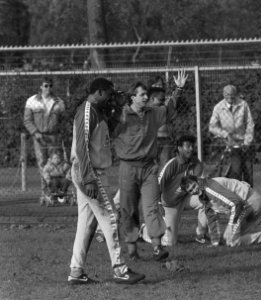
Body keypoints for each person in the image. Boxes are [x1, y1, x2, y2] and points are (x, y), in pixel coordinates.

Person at [68, 77, 145, 285]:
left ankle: (76, 271)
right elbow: (82, 148)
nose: (112, 97)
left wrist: (120, 108)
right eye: (110, 94)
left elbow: (112, 131)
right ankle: (120, 270)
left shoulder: (98, 111)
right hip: (89, 172)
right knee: (111, 217)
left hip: (91, 171)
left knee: (86, 224)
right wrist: (88, 178)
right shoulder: (86, 111)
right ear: (99, 92)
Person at [112, 81, 177, 261]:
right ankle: (132, 249)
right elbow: (107, 126)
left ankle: (157, 246)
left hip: (149, 167)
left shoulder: (152, 113)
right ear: (132, 97)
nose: (146, 97)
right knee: (129, 209)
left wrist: (177, 90)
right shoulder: (121, 115)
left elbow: (169, 110)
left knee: (152, 206)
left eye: (146, 94)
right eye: (142, 95)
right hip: (128, 168)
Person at [179, 175, 261, 247]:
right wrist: (215, 242)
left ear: (197, 180)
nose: (194, 190)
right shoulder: (202, 194)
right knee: (230, 239)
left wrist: (230, 225)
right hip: (246, 205)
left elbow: (236, 204)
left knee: (232, 241)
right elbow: (211, 217)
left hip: (250, 202)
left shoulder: (210, 188)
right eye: (191, 191)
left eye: (194, 186)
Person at [156, 134, 209, 246]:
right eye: (188, 146)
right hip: (169, 204)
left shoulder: (196, 163)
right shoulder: (172, 164)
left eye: (192, 146)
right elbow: (158, 185)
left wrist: (203, 192)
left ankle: (201, 235)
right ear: (179, 148)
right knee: (169, 243)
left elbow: (202, 183)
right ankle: (145, 231)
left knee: (208, 199)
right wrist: (158, 203)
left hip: (185, 199)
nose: (191, 149)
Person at [23, 77, 66, 203]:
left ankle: (56, 192)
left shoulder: (59, 102)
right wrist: (35, 133)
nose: (49, 88)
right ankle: (45, 193)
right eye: (46, 86)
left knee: (56, 165)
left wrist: (61, 134)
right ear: (41, 87)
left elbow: (64, 121)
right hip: (39, 138)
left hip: (54, 137)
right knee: (42, 165)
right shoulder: (31, 101)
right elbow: (27, 120)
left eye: (50, 86)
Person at [209, 85, 255, 186]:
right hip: (229, 145)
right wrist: (225, 134)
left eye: (232, 94)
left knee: (248, 171)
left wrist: (247, 141)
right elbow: (212, 127)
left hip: (244, 142)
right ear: (223, 94)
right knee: (236, 172)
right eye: (227, 94)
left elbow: (250, 124)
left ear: (236, 94)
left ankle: (250, 196)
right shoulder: (218, 107)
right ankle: (237, 196)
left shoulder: (243, 105)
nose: (230, 96)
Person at [149, 70, 188, 167]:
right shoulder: (144, 102)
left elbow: (173, 100)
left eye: (161, 85)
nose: (159, 87)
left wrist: (179, 88)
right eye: (156, 85)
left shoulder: (166, 102)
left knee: (165, 168)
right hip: (149, 141)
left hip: (166, 141)